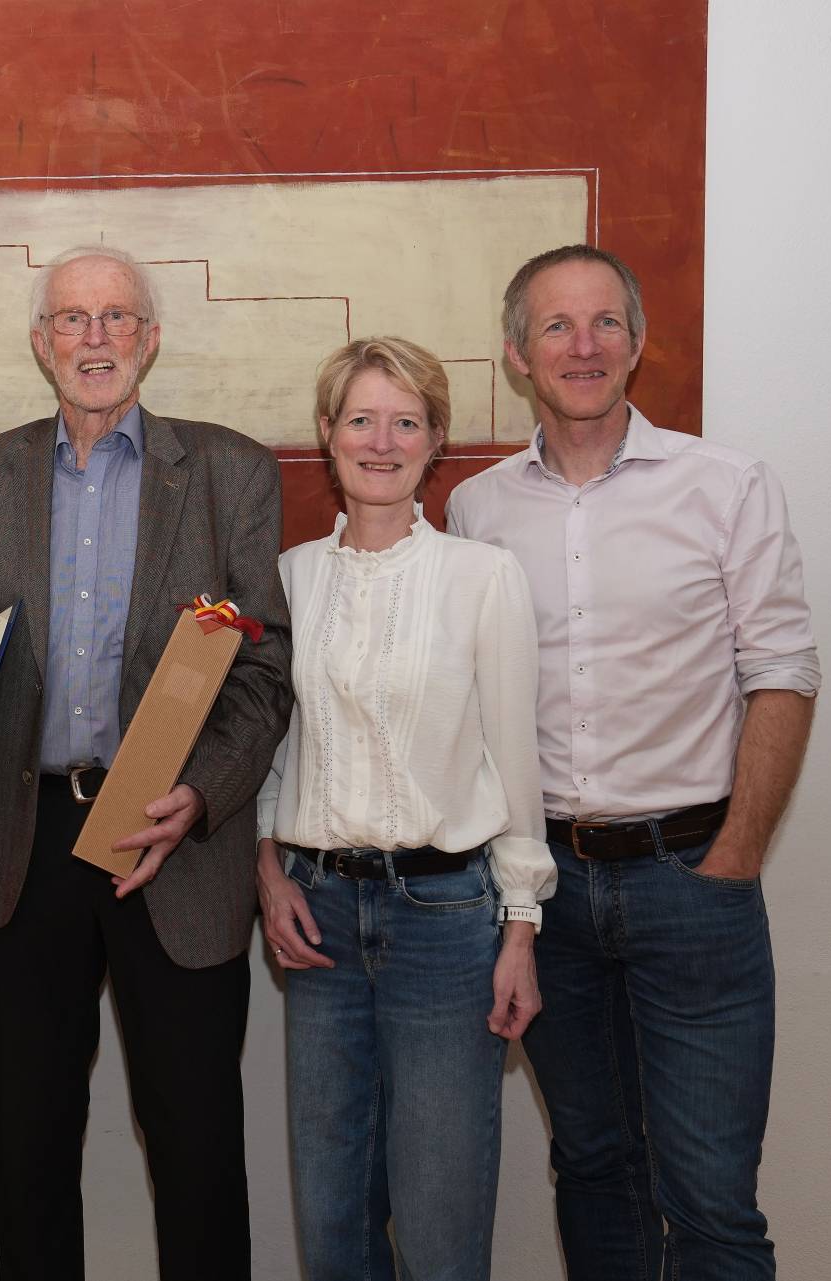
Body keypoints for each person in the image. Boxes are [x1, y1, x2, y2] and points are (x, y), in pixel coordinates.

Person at [0, 245, 292, 1280]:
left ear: (151, 339)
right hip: (26, 846)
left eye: (117, 318)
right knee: (32, 1147)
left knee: (198, 1147)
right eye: (72, 320)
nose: (95, 339)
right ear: (41, 344)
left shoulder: (228, 472)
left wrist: (199, 798)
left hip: (174, 845)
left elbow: (265, 674)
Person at [448, 244, 819, 1279]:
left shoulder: (726, 485)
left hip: (692, 881)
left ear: (639, 343)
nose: (583, 345)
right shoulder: (478, 511)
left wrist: (738, 853)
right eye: (558, 327)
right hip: (545, 898)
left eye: (605, 322)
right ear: (519, 354)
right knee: (597, 1171)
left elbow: (784, 672)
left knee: (708, 1199)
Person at [254, 336, 552, 1280]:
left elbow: (517, 761)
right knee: (334, 1216)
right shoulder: (289, 576)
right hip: (319, 919)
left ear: (435, 444)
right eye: (360, 419)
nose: (381, 441)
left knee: (439, 1219)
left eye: (406, 421)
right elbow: (272, 745)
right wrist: (267, 869)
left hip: (446, 923)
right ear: (327, 438)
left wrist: (521, 927)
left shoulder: (483, 576)